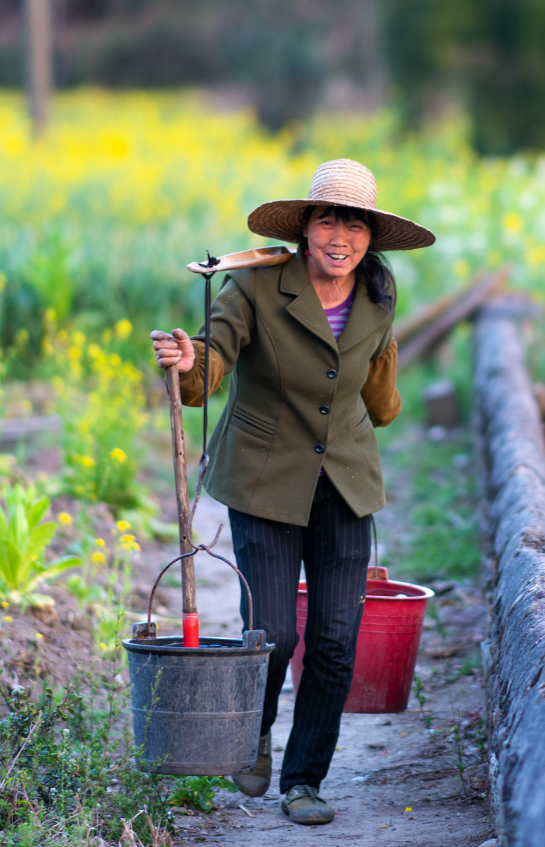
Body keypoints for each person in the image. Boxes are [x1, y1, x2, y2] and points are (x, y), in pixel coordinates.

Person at [151, 158, 433, 826]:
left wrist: (383, 352)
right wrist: (191, 362)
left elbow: (382, 406)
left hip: (343, 483)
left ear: (371, 236)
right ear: (306, 226)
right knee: (274, 633)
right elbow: (213, 357)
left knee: (336, 640)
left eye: (355, 223)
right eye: (328, 218)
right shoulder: (255, 285)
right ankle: (253, 732)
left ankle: (303, 777)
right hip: (264, 478)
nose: (341, 235)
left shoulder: (377, 295)